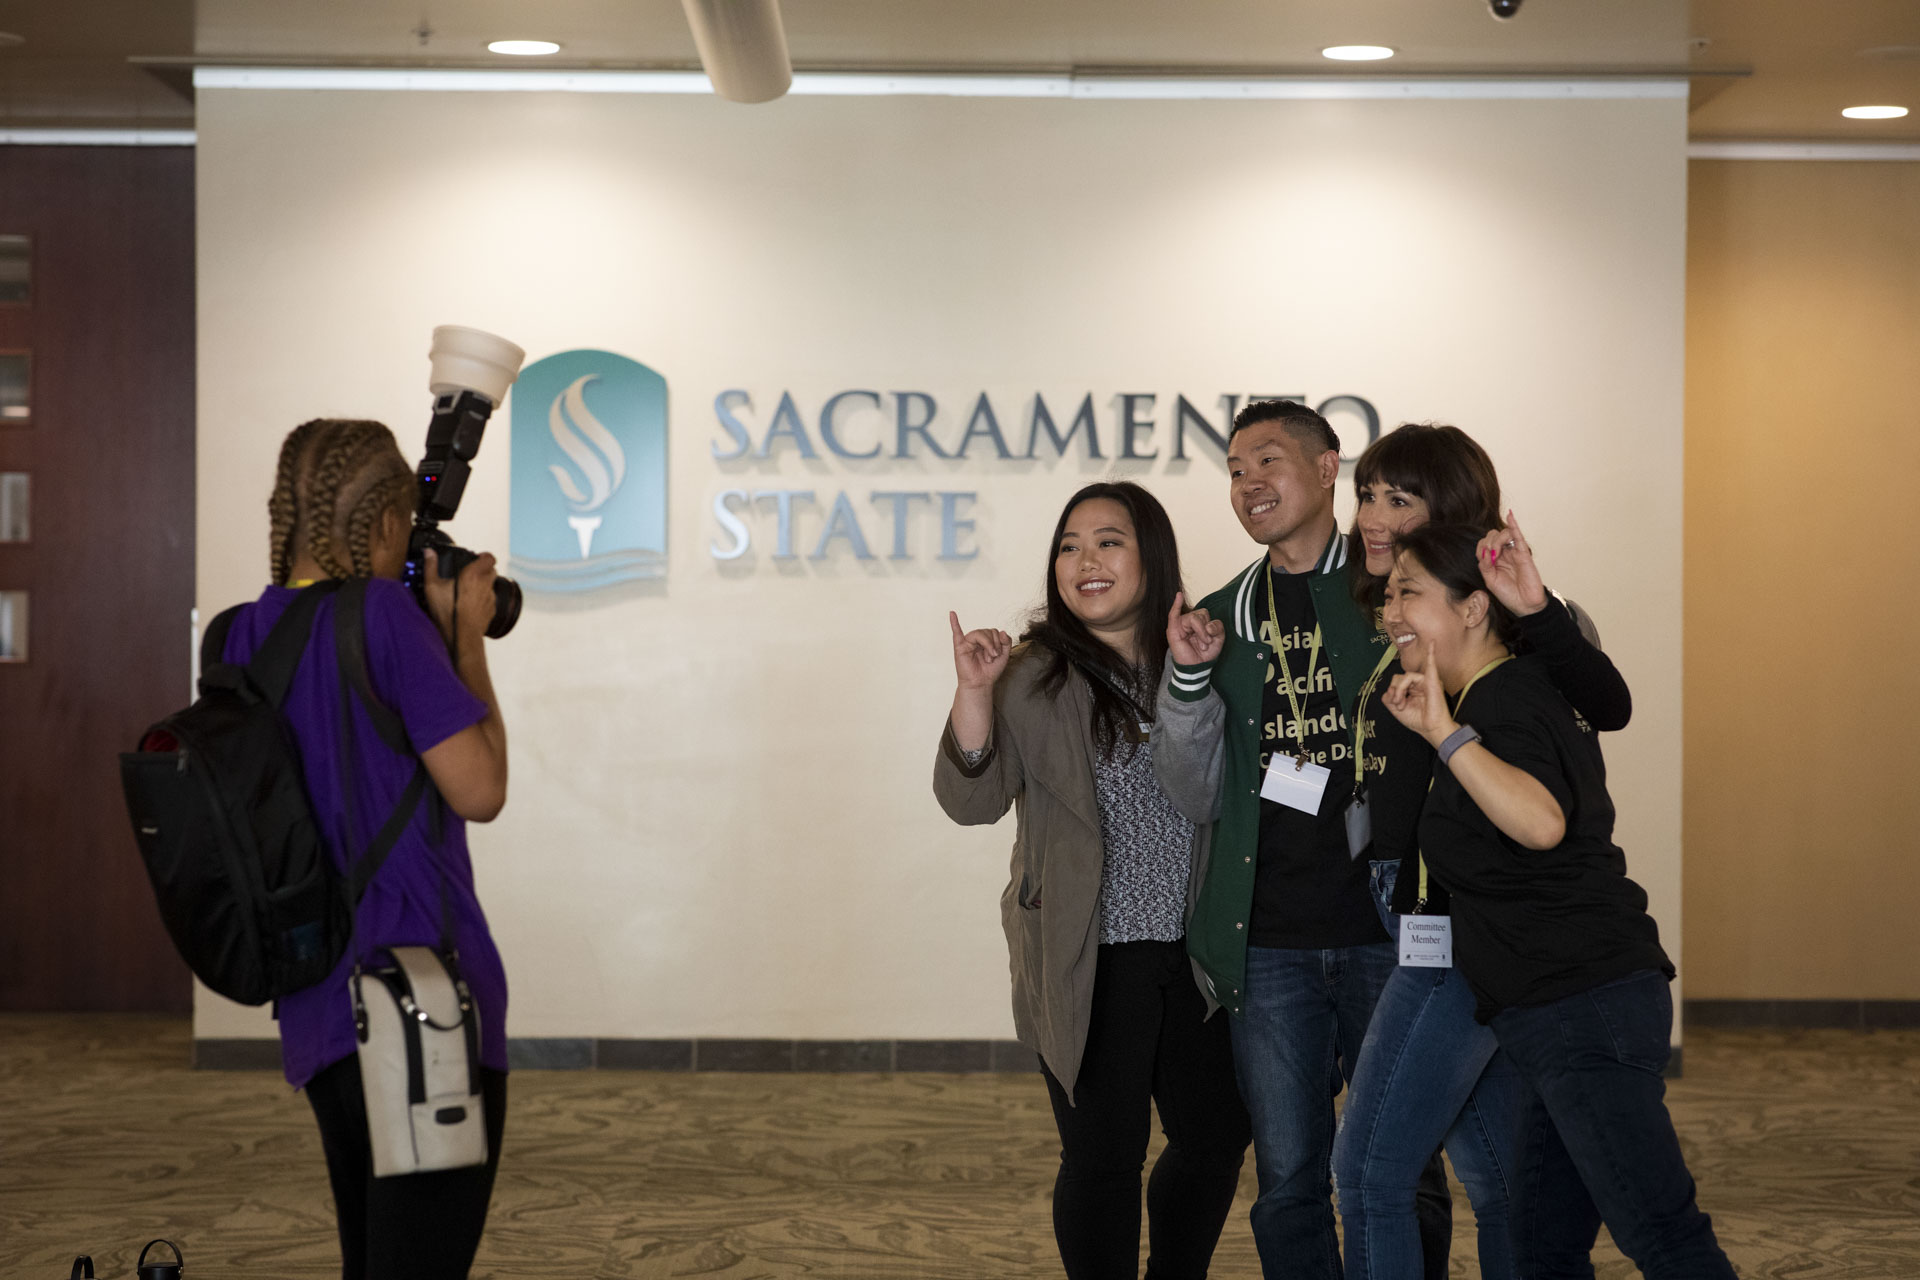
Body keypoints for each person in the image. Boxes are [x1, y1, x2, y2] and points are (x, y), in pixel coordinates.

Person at [1377, 523, 1736, 1280]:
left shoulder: (1498, 701)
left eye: (1408, 591)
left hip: (1582, 1003)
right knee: (1542, 1246)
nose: (1390, 611)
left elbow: (1540, 823)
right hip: (1562, 1010)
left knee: (1662, 1234)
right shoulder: (1512, 689)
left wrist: (1444, 735)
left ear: (1475, 608)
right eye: (1387, 595)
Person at [1152, 400, 1450, 1279]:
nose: (1248, 483)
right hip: (1270, 938)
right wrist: (1186, 680)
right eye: (1236, 469)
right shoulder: (1216, 617)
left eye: (1269, 461)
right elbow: (1188, 789)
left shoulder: (1395, 591)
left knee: (1409, 1167)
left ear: (1329, 472)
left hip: (1390, 932)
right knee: (1286, 1180)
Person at [1330, 425, 1633, 1280]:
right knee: (1499, 1176)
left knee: (1371, 1172)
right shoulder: (1396, 608)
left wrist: (1532, 612)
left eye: (1399, 498)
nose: (1373, 516)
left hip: (1466, 910)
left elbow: (1605, 710)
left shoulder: (1518, 619)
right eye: (1368, 495)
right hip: (1413, 901)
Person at [934, 480, 1251, 1279]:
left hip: (1198, 952)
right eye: (1070, 546)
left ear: (1153, 555)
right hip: (1087, 955)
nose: (1085, 561)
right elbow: (971, 801)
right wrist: (974, 693)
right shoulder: (1032, 675)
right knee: (1103, 1158)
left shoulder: (1205, 656)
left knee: (1214, 1140)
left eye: (1109, 541)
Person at [223, 418, 512, 1280]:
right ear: (387, 523)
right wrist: (464, 637)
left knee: (374, 1257)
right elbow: (482, 788)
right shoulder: (388, 618)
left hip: (315, 998)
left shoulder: (245, 633)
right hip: (421, 1004)